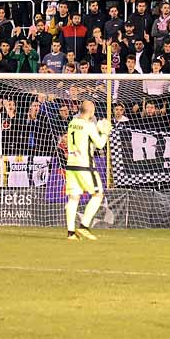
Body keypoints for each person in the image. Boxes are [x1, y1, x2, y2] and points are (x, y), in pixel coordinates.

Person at [63, 98, 110, 240]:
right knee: (98, 194)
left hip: (71, 165)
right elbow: (101, 144)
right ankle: (84, 226)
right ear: (91, 111)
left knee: (73, 198)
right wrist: (105, 132)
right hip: (85, 166)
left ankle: (71, 233)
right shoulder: (88, 125)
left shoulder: (72, 123)